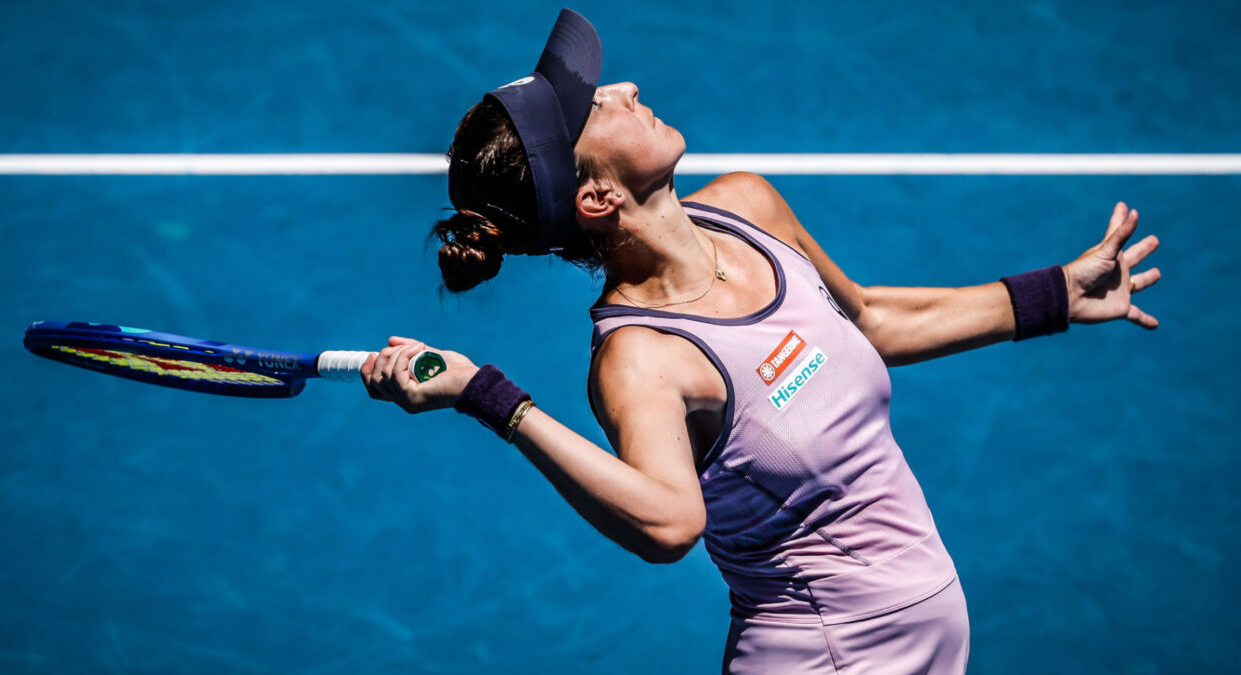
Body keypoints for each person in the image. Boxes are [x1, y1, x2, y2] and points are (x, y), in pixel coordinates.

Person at [360, 10, 1161, 674]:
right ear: (598, 195)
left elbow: (871, 322)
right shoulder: (640, 358)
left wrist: (1052, 295)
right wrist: (488, 396)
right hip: (827, 653)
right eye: (598, 107)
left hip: (926, 631)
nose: (627, 87)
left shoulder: (747, 207)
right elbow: (670, 522)